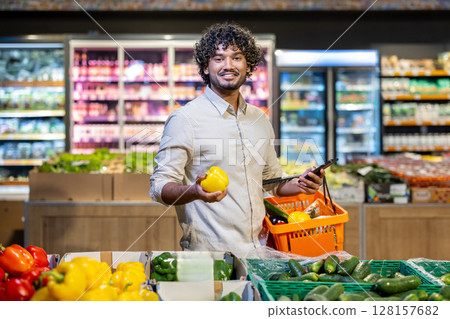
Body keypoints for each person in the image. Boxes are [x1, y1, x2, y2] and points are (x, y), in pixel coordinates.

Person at [150, 22, 324, 257]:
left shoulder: (259, 120)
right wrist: (195, 191)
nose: (228, 65)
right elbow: (159, 188)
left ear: (248, 65)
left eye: (237, 57)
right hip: (211, 257)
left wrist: (302, 185)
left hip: (260, 252)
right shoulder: (185, 119)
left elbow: (271, 183)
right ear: (205, 66)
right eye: (219, 58)